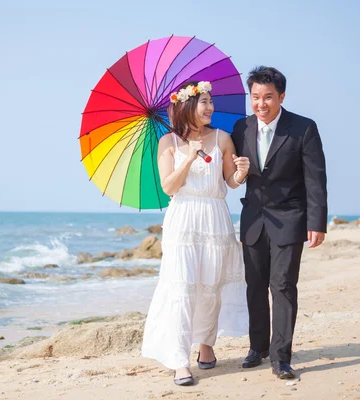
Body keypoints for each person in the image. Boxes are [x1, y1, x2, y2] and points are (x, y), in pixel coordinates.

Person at [141, 81, 249, 386]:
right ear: (187, 106)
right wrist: (189, 156)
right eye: (204, 102)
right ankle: (179, 361)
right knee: (182, 288)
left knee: (211, 286)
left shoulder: (224, 138)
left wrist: (241, 170)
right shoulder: (168, 143)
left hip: (215, 217)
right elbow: (168, 187)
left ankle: (205, 345)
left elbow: (230, 181)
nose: (210, 107)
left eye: (211, 101)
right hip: (183, 219)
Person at [231, 66, 328, 379]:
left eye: (268, 97)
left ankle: (280, 357)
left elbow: (315, 179)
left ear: (281, 96)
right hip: (253, 221)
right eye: (256, 97)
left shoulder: (303, 128)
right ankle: (257, 348)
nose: (261, 103)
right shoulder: (240, 129)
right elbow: (230, 174)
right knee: (255, 286)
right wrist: (240, 171)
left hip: (290, 219)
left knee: (283, 286)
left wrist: (317, 222)